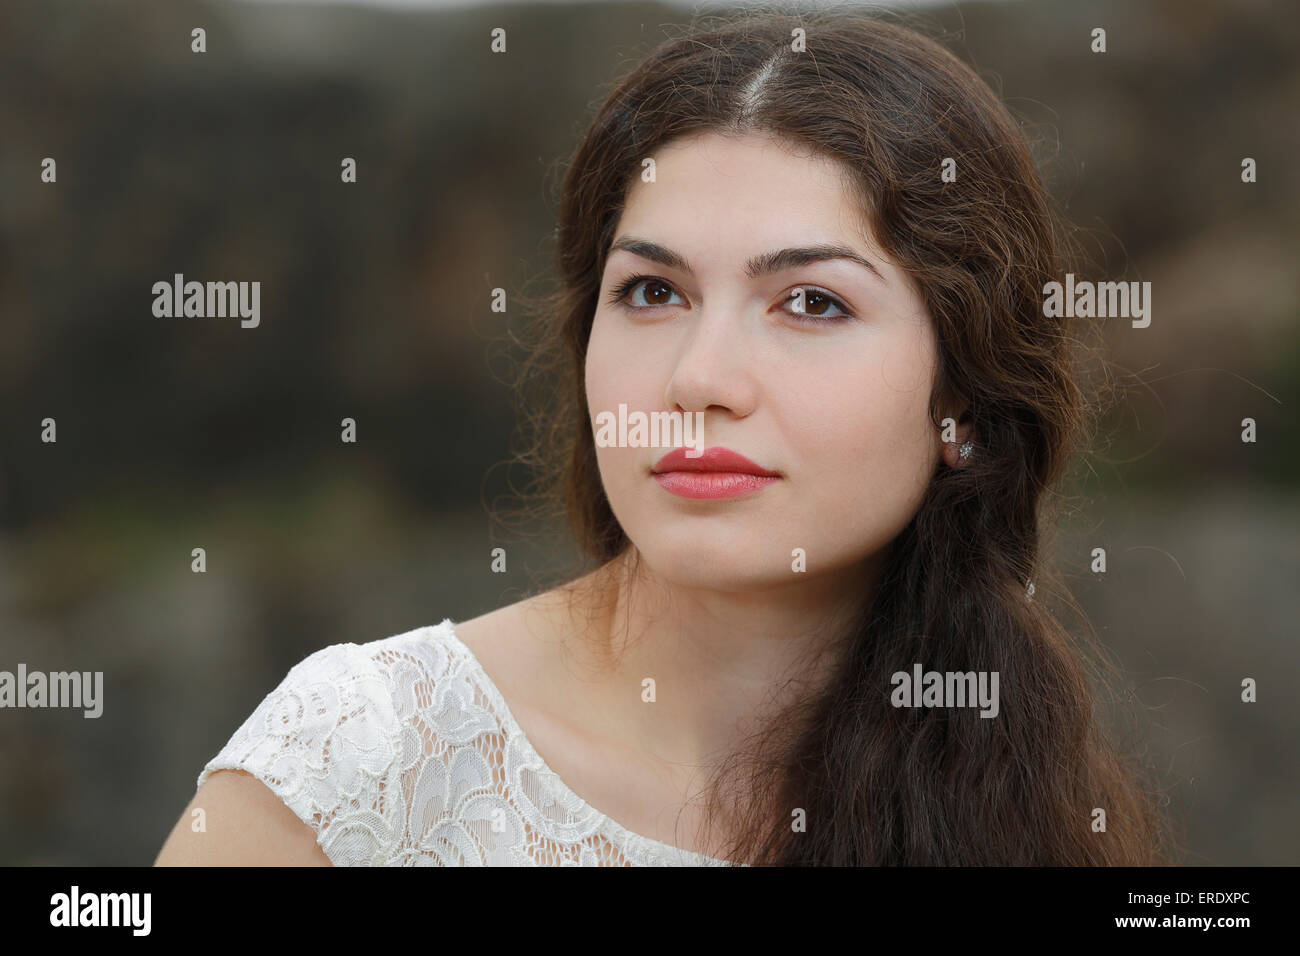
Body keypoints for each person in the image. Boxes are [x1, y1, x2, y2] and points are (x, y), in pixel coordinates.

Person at [156, 8, 1170, 866]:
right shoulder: (362, 763)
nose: (699, 378)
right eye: (652, 291)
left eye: (810, 302)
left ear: (965, 402)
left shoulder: (1017, 791)